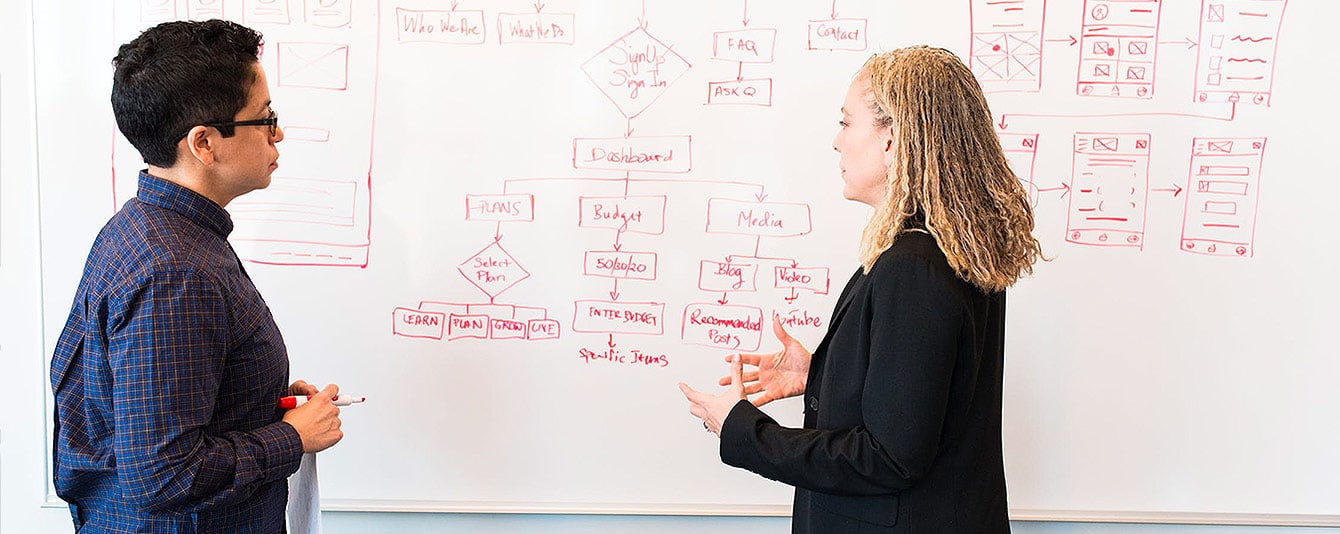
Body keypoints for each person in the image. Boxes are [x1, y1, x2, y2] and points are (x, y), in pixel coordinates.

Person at [679, 45, 1043, 533]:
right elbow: (927, 396)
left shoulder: (915, 267)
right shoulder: (955, 250)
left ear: (892, 139)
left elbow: (889, 458)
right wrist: (822, 376)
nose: (836, 141)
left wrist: (744, 431)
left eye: (847, 123)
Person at [50, 20, 345, 533]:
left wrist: (258, 399)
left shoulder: (152, 230)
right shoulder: (176, 272)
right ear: (204, 143)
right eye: (265, 117)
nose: (278, 132)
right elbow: (164, 476)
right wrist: (293, 438)